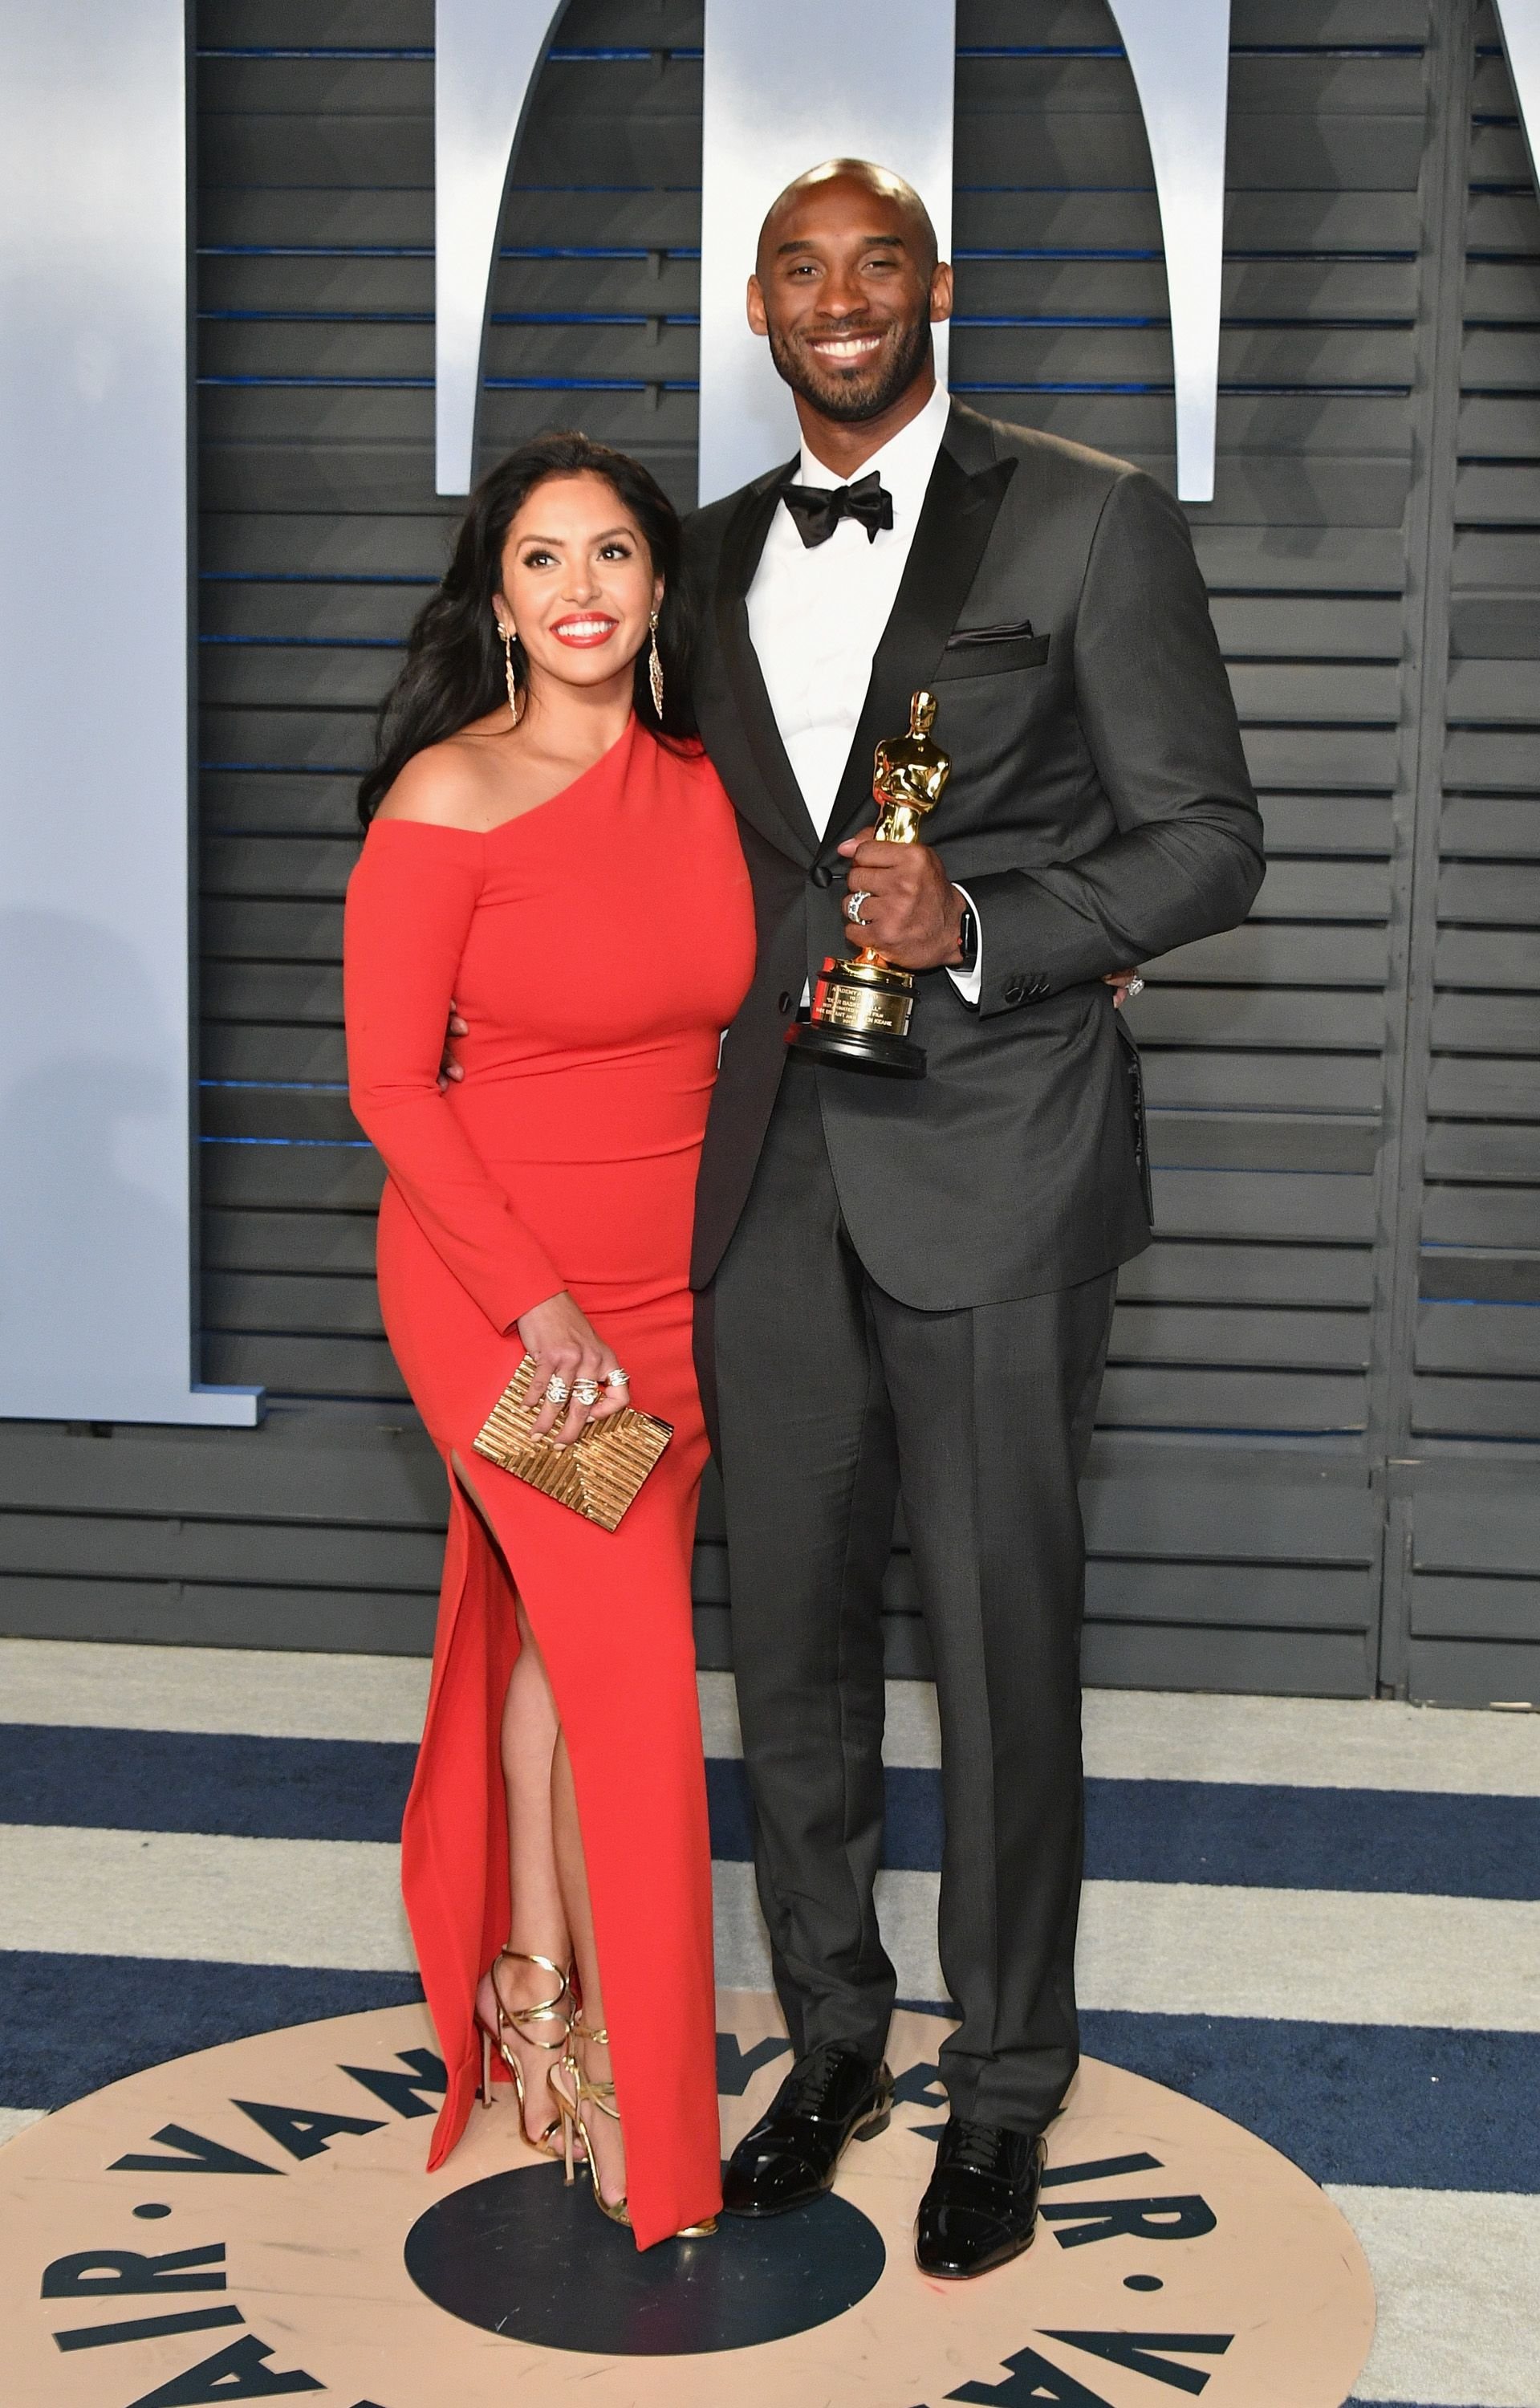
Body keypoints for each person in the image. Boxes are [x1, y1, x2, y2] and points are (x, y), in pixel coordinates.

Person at [683, 160, 1266, 2278]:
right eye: (801, 272)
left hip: (1000, 1166)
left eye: (878, 266)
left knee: (1008, 1654)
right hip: (761, 1180)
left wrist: (1002, 925)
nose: (842, 304)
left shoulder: (1086, 515)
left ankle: (1006, 2088)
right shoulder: (707, 553)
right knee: (795, 1653)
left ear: (941, 286)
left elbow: (1210, 844)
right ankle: (829, 2037)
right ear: (759, 308)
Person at [343, 431, 754, 2249]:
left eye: (611, 555)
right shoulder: (448, 792)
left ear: (660, 587)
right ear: (495, 598)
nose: (580, 588)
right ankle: (665, 2146)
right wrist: (540, 1302)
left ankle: (529, 1974)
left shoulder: (713, 781)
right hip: (514, 1313)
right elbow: (387, 1090)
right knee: (636, 1679)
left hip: (686, 1298)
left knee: (566, 1648)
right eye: (539, 559)